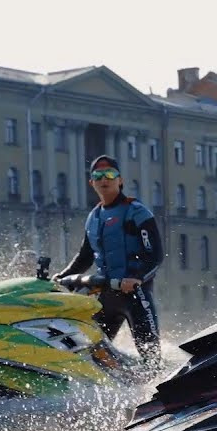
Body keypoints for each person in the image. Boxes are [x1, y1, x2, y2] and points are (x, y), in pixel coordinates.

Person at [53, 155, 163, 368]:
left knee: (151, 358)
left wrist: (136, 278)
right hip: (106, 295)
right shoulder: (94, 217)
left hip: (136, 295)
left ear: (120, 180)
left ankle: (162, 387)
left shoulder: (137, 212)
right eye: (98, 176)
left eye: (110, 174)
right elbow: (84, 256)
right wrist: (60, 277)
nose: (105, 179)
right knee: (90, 356)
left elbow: (156, 256)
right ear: (91, 182)